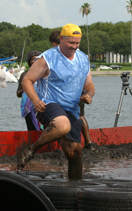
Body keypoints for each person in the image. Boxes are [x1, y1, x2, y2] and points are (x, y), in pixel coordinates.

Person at [19, 23, 95, 179]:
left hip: (72, 109)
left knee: (75, 153)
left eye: (77, 43)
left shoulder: (83, 59)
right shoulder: (48, 58)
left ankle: (75, 188)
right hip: (48, 104)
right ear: (61, 39)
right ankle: (32, 149)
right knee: (62, 125)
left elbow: (89, 85)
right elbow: (27, 80)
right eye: (70, 43)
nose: (74, 46)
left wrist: (89, 95)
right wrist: (35, 100)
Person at [49, 30, 95, 150]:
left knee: (78, 116)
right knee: (78, 116)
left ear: (57, 42)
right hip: (74, 92)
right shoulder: (76, 54)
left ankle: (86, 143)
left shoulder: (73, 56)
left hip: (73, 93)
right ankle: (88, 143)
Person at [16, 50, 42, 131]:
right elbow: (18, 93)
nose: (34, 61)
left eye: (37, 58)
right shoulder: (24, 75)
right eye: (32, 59)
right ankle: (33, 143)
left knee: (44, 128)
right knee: (31, 129)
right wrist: (27, 86)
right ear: (29, 61)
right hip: (29, 108)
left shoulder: (44, 73)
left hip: (42, 105)